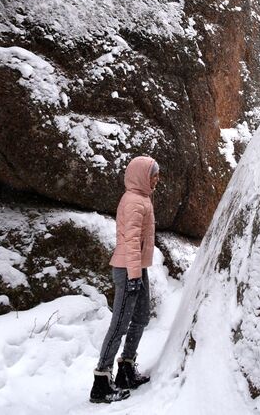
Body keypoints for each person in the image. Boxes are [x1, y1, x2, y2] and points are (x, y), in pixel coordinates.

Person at [90, 155, 160, 404]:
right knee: (119, 324)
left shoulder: (142, 199)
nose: (156, 179)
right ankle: (101, 381)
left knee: (140, 317)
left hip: (137, 268)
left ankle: (126, 369)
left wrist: (138, 271)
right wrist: (133, 276)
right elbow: (130, 242)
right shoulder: (133, 201)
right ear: (142, 175)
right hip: (127, 269)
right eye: (153, 174)